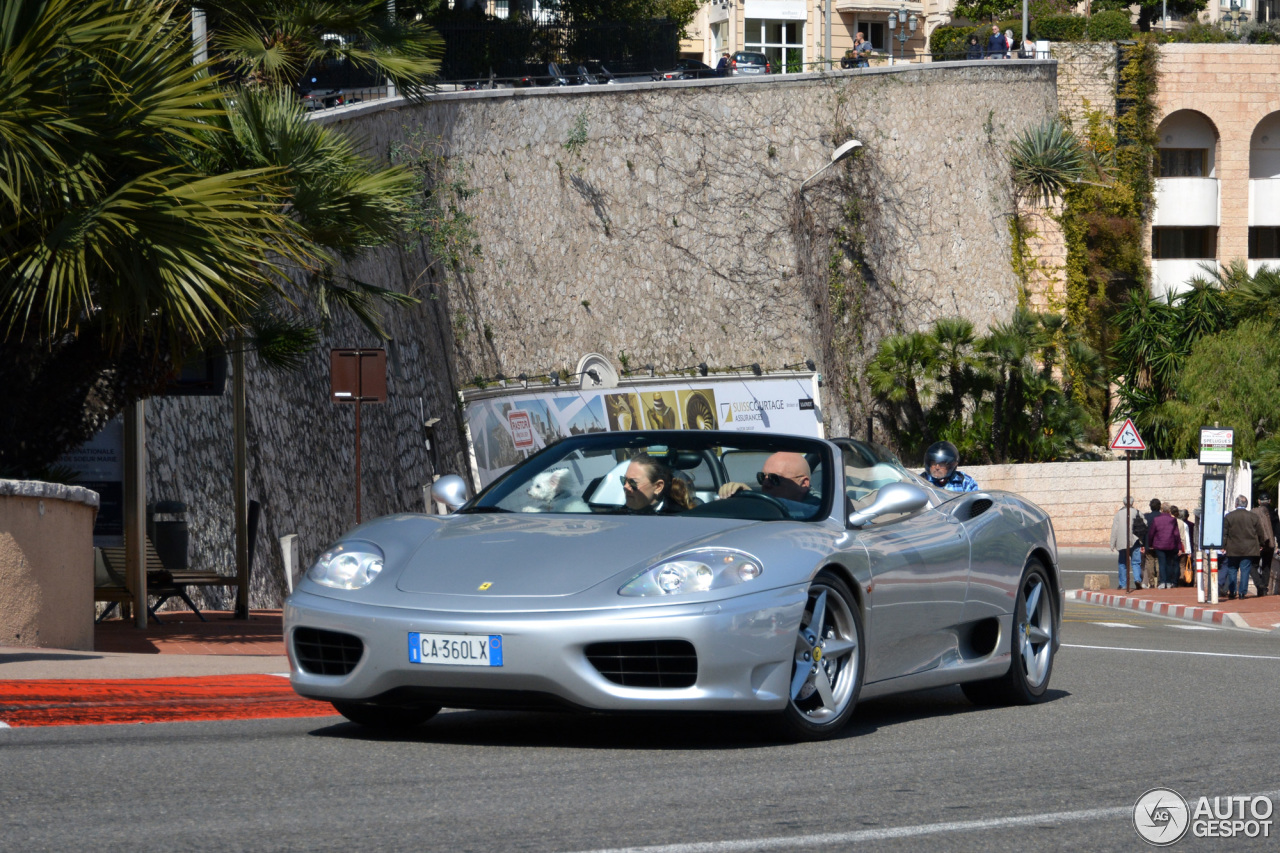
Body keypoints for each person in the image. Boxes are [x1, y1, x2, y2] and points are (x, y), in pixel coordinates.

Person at [718, 451, 821, 518]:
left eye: (774, 478)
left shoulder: (819, 508)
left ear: (803, 483)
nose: (765, 484)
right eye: (762, 477)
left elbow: (809, 511)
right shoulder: (763, 502)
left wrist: (753, 501)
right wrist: (730, 495)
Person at [1222, 495, 1267, 599]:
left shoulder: (1229, 516)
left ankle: (1232, 592)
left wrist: (1223, 546)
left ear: (1236, 504)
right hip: (1248, 548)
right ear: (1246, 505)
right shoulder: (1253, 517)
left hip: (1233, 548)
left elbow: (1225, 533)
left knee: (1232, 569)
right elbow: (1260, 532)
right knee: (1245, 570)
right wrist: (1261, 544)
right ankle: (1242, 592)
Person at [621, 453, 694, 514]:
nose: (625, 486)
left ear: (658, 487)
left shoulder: (679, 519)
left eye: (633, 482)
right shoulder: (615, 516)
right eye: (624, 480)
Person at [1109, 497, 1142, 591]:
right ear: (1133, 503)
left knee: (1122, 562)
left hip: (1122, 541)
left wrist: (1112, 543)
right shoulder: (1137, 512)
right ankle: (1137, 579)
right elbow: (1145, 524)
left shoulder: (1118, 514)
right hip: (1135, 540)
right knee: (1136, 562)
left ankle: (1123, 584)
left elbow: (1114, 529)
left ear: (1123, 503)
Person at [1145, 503, 1181, 589]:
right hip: (1170, 544)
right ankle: (1168, 582)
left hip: (1159, 544)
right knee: (1169, 563)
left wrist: (1150, 543)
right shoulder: (1173, 520)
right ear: (1169, 510)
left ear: (1161, 510)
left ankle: (1162, 582)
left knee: (1162, 563)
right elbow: (1176, 534)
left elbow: (1152, 533)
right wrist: (1179, 546)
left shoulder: (1156, 520)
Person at [1252, 493, 1275, 596]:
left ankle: (1259, 585)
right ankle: (1264, 587)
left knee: (1253, 565)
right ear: (1269, 501)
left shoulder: (1254, 512)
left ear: (1259, 501)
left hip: (1257, 543)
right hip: (1270, 543)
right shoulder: (1273, 513)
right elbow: (1277, 530)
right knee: (1266, 565)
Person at [1140, 498, 1162, 589]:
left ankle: (1151, 582)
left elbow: (1144, 531)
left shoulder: (1146, 517)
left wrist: (1143, 544)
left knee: (1149, 563)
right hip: (1159, 543)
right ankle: (1159, 582)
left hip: (1148, 543)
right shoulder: (1162, 517)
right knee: (1158, 562)